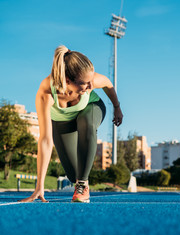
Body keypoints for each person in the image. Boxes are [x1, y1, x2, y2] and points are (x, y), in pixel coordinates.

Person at [20, 45, 123, 203]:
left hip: (90, 108)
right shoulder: (47, 92)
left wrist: (117, 108)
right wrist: (39, 186)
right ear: (67, 81)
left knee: (86, 123)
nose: (90, 86)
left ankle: (82, 185)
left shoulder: (91, 81)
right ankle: (80, 180)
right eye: (85, 83)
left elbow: (108, 84)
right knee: (74, 173)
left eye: (91, 82)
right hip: (63, 121)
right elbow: (46, 140)